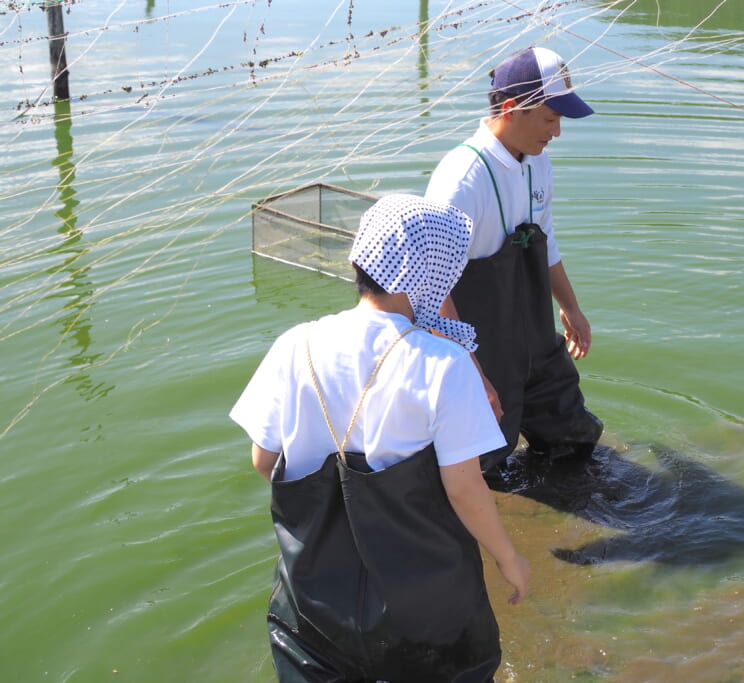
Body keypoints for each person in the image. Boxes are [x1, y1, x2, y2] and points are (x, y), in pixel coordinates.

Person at [230, 194, 530, 682]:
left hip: (316, 605)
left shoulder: (294, 345)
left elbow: (264, 461)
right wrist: (509, 558)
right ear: (426, 273)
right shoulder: (442, 363)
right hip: (429, 608)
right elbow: (465, 490)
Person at [425, 45, 603, 474]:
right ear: (510, 108)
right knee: (481, 469)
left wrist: (571, 307)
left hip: (536, 339)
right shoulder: (462, 179)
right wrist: (472, 374)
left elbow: (546, 241)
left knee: (573, 441)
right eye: (549, 118)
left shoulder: (537, 162)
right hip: (479, 348)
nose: (557, 131)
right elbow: (431, 287)